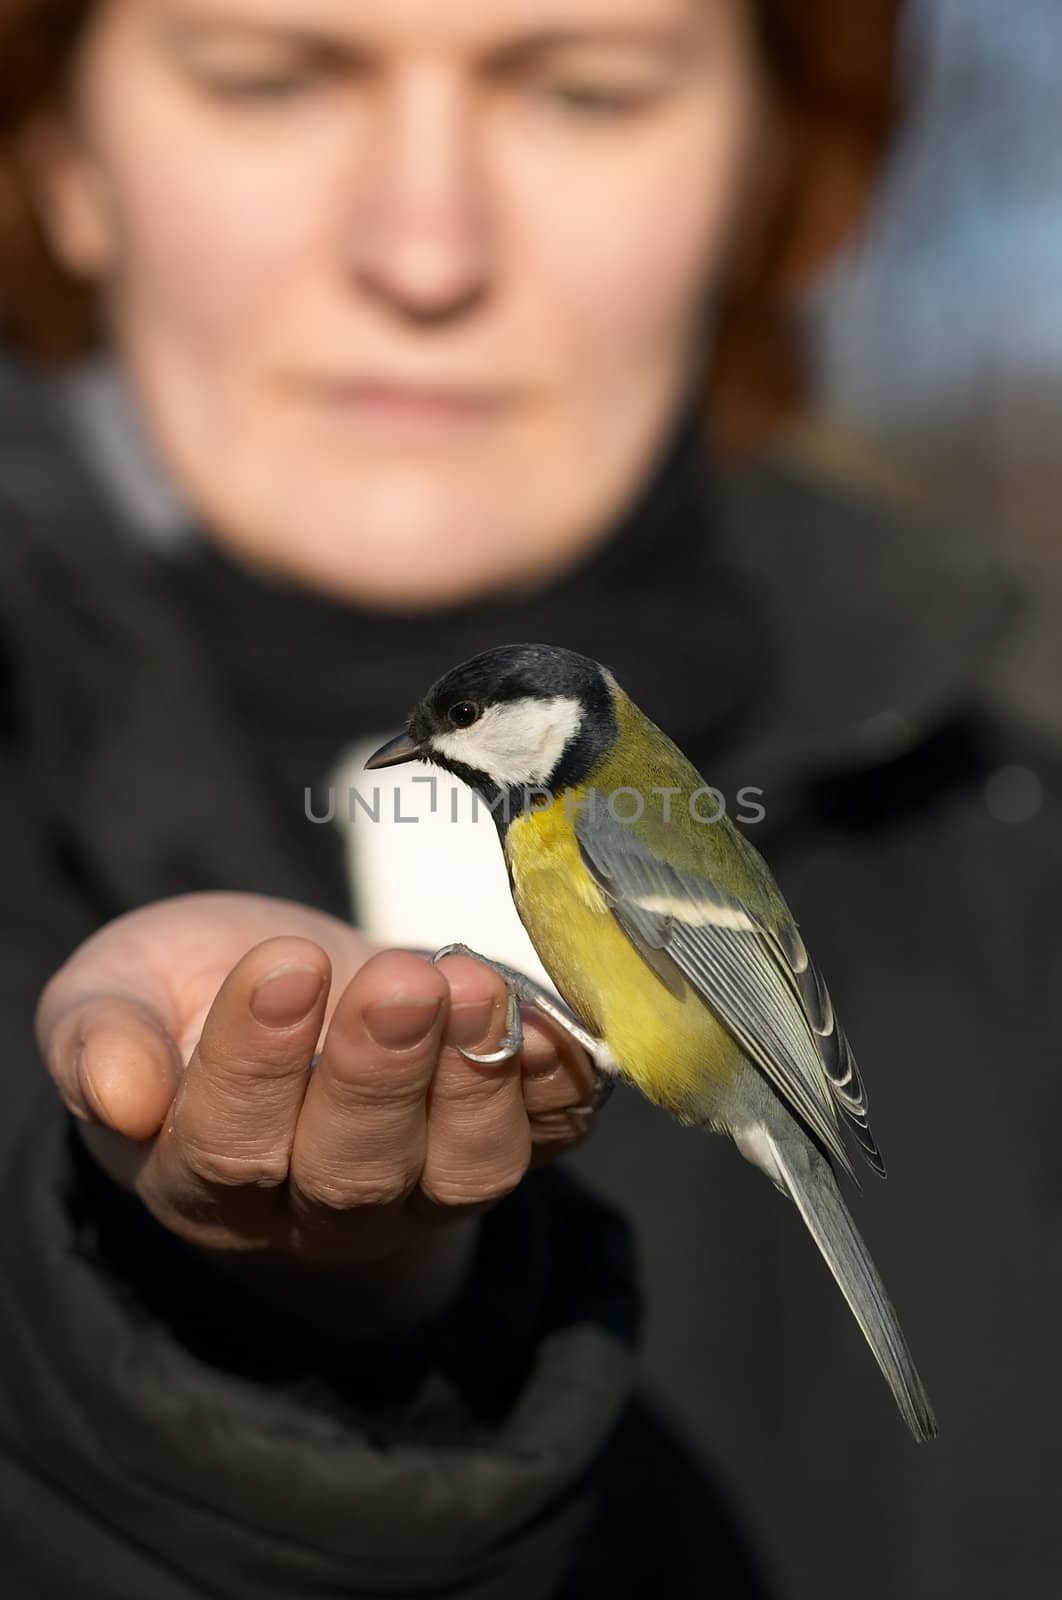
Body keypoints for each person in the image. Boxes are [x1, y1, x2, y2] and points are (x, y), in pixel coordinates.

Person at [1, 1, 1059, 1597]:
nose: (425, 252)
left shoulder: (950, 848)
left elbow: (711, 1000)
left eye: (584, 88)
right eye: (272, 76)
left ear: (768, 169)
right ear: (60, 158)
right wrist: (233, 1320)